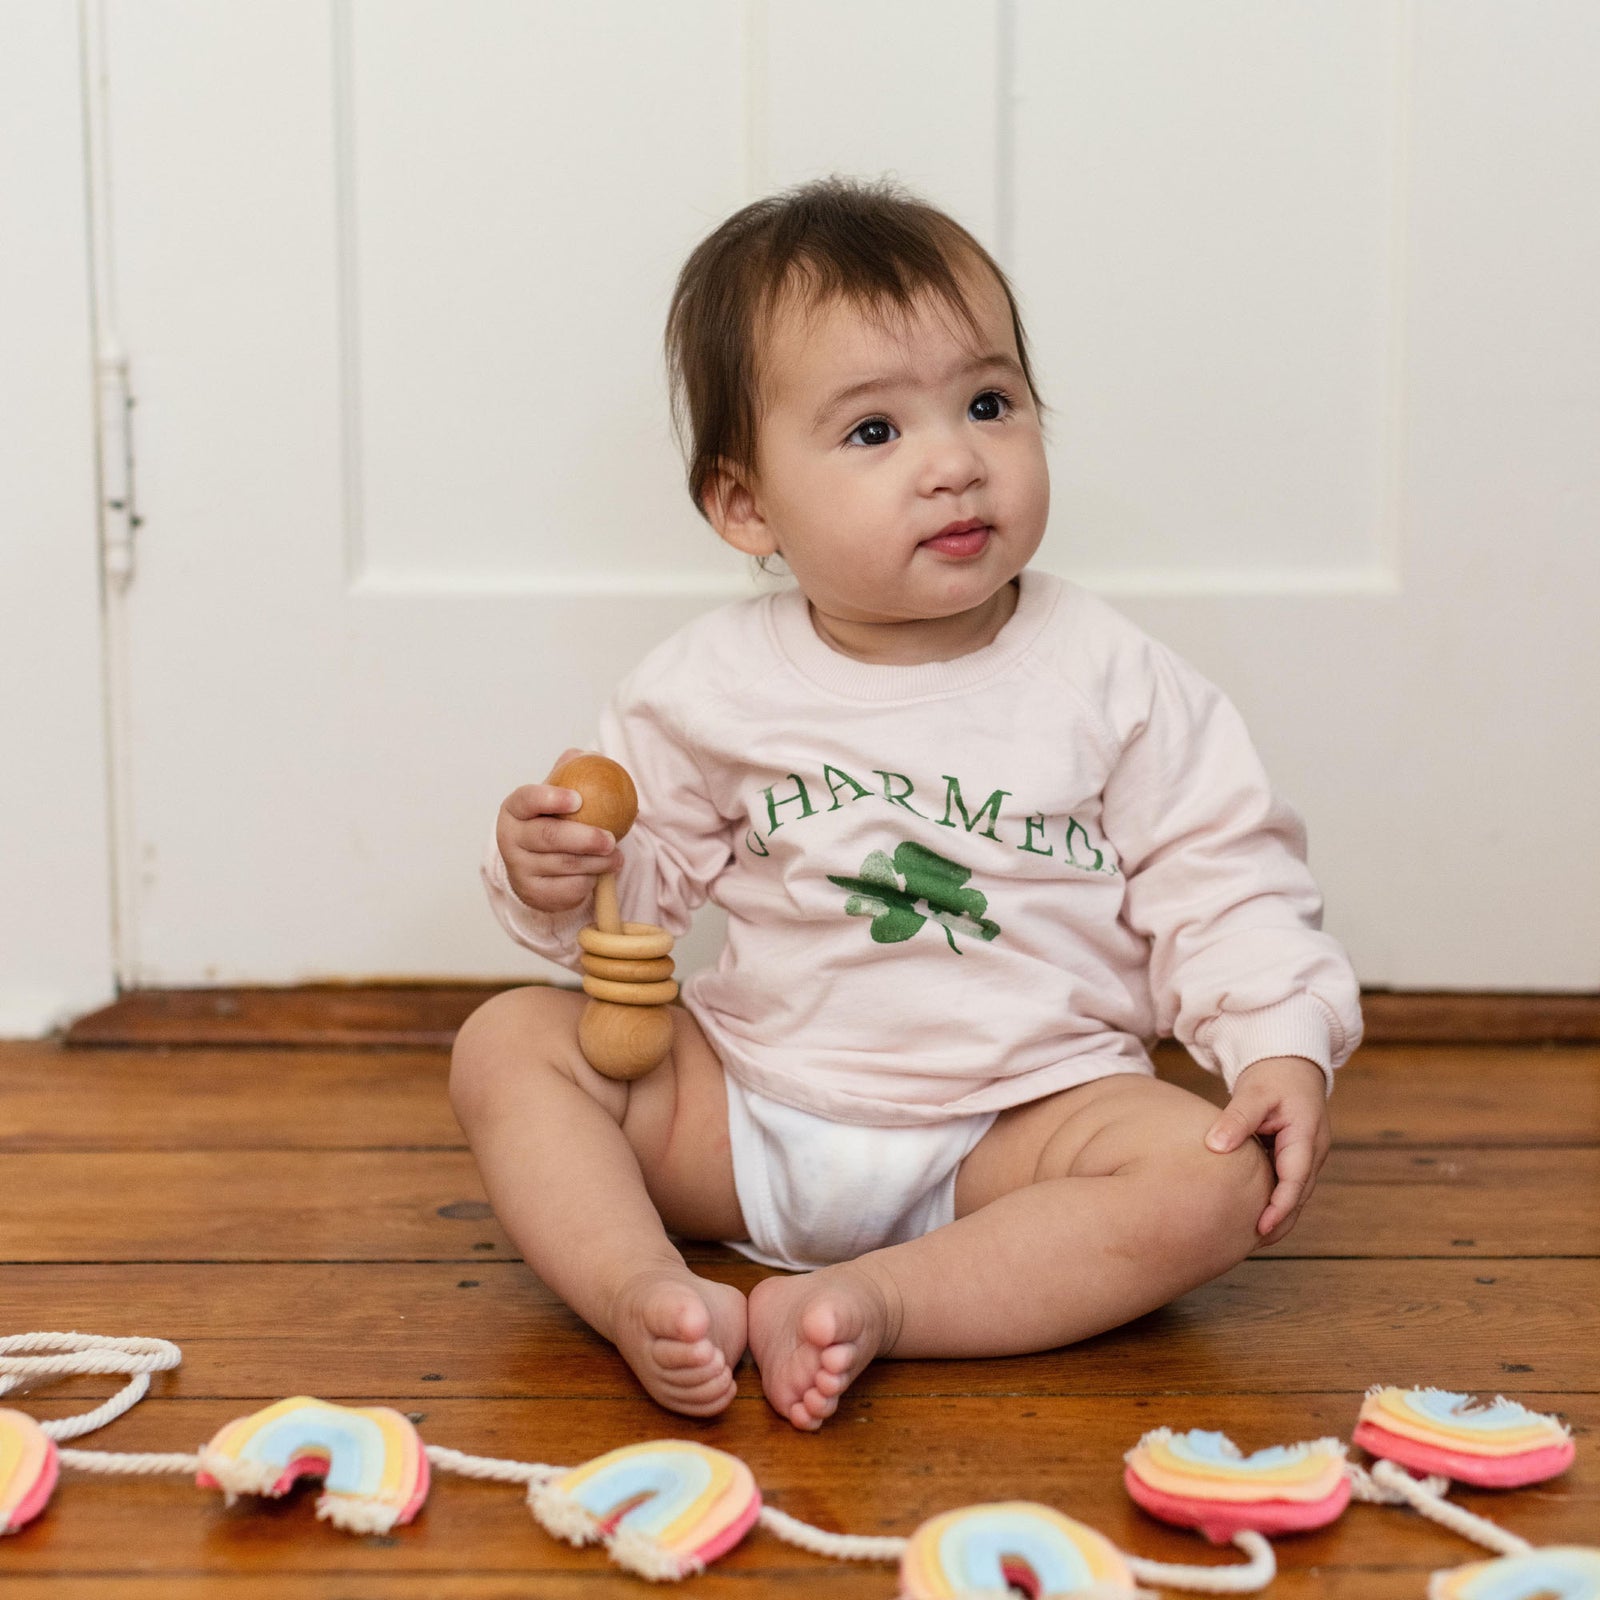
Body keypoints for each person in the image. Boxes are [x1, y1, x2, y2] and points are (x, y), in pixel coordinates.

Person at [451, 176, 1363, 1431]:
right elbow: (630, 902)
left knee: (1206, 1182)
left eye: (987, 404)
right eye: (874, 432)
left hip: (1019, 1134)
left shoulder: (1110, 676)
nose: (952, 461)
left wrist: (1275, 1038)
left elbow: (1224, 870)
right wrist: (557, 865)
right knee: (508, 1043)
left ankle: (889, 1300)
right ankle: (644, 1288)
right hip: (751, 1107)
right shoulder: (710, 682)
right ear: (745, 504)